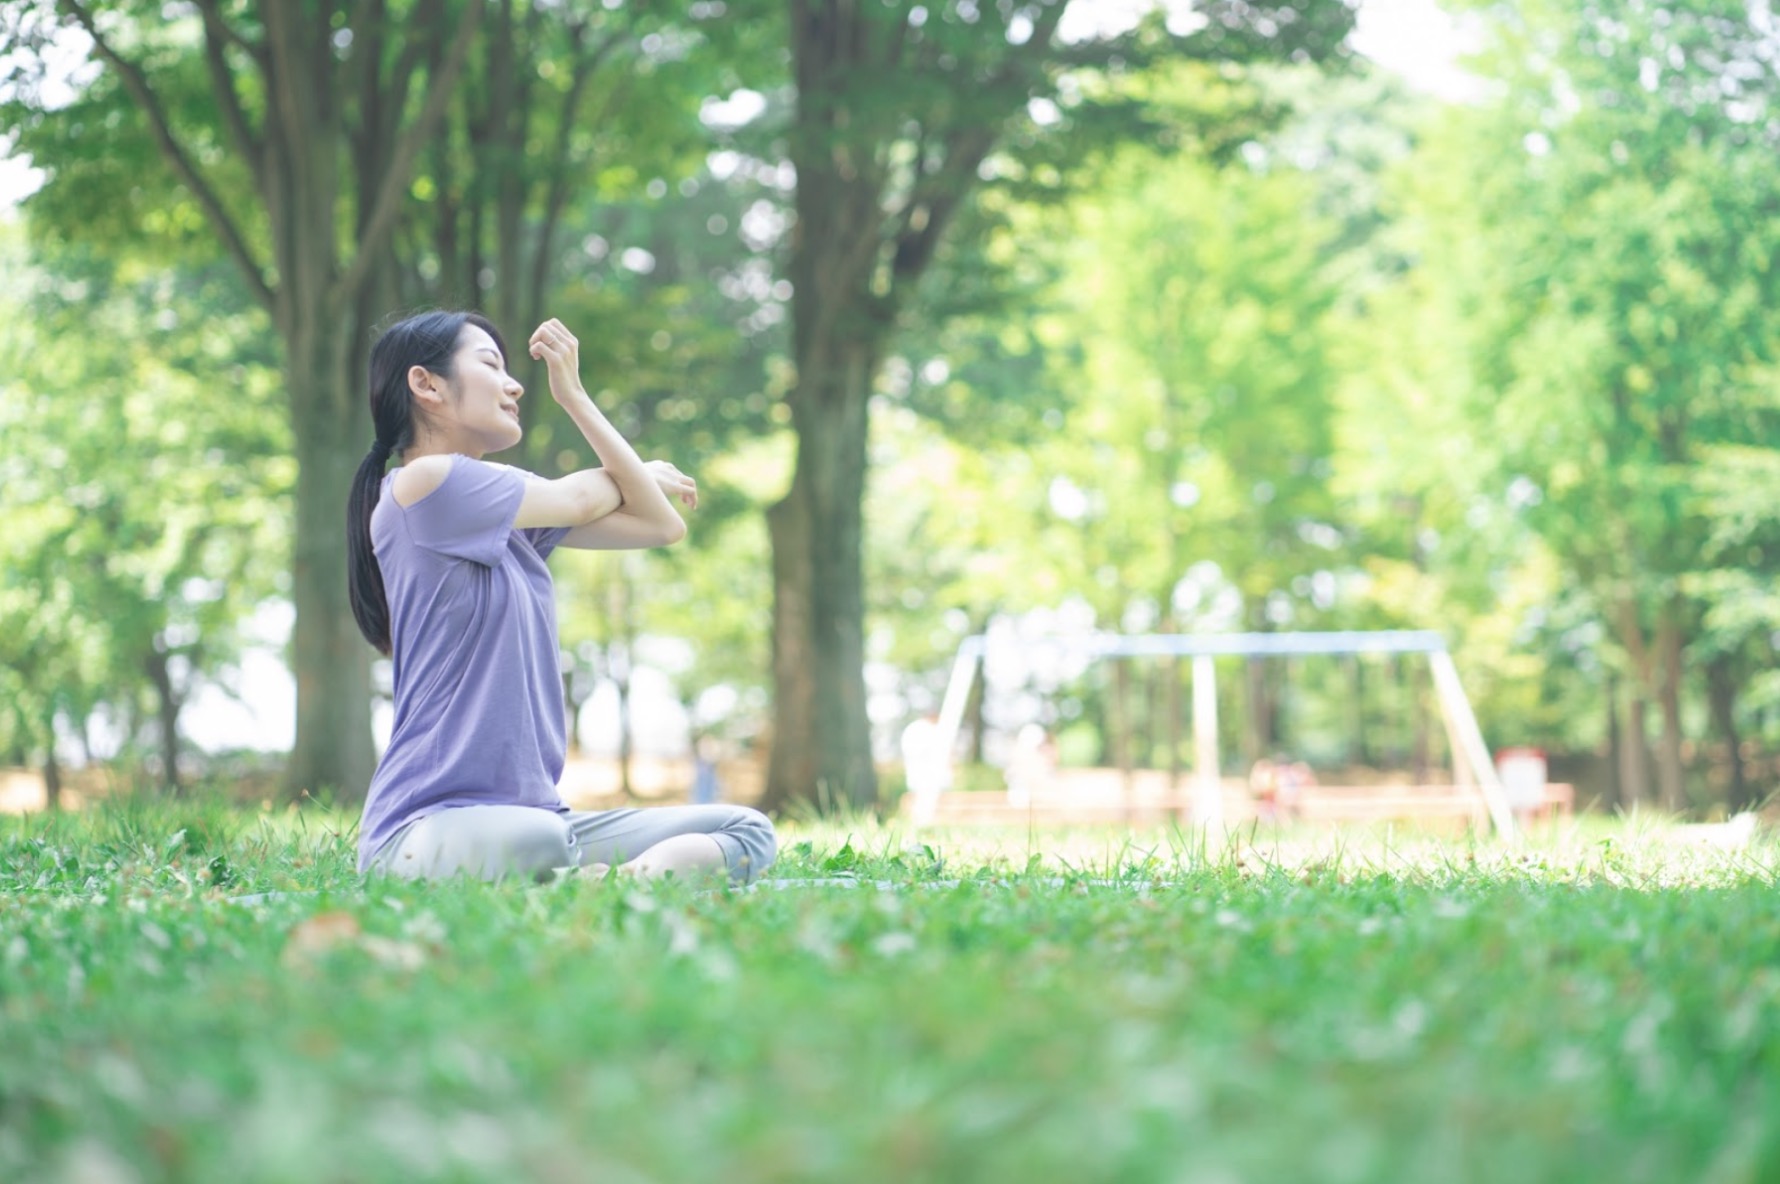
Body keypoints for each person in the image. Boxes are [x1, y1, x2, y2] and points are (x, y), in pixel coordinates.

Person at [345, 310, 776, 884]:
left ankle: (613, 884)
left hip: (540, 820)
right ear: (426, 385)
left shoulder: (513, 510)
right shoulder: (421, 485)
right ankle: (588, 877)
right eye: (491, 364)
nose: (516, 384)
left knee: (747, 828)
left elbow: (659, 524)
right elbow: (577, 501)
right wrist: (637, 467)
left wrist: (576, 398)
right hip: (421, 829)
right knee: (537, 840)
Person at [899, 711, 952, 828]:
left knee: (923, 797)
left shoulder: (914, 728)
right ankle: (923, 822)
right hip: (926, 771)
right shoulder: (925, 729)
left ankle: (922, 821)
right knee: (926, 797)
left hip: (919, 770)